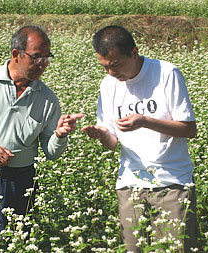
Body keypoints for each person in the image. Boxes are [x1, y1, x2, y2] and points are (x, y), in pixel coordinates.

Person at [0, 25, 83, 245]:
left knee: (16, 244)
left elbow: (52, 153)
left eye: (47, 58)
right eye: (37, 57)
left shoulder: (48, 99)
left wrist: (60, 134)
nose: (43, 64)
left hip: (19, 184)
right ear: (16, 54)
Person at [82, 26, 197, 252]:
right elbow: (113, 142)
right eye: (104, 67)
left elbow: (189, 129)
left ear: (134, 53)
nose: (111, 74)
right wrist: (102, 134)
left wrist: (144, 121)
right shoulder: (108, 85)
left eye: (115, 65)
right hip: (130, 184)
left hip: (172, 182)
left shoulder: (166, 73)